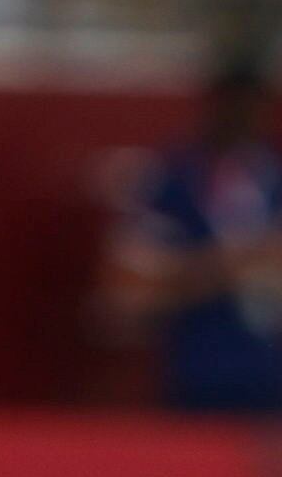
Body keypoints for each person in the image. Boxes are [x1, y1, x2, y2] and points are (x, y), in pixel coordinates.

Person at [104, 57, 282, 417]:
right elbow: (127, 290)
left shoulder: (273, 177)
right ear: (213, 104)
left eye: (252, 106)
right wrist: (232, 264)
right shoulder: (171, 180)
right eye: (233, 104)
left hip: (269, 376)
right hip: (198, 373)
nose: (242, 117)